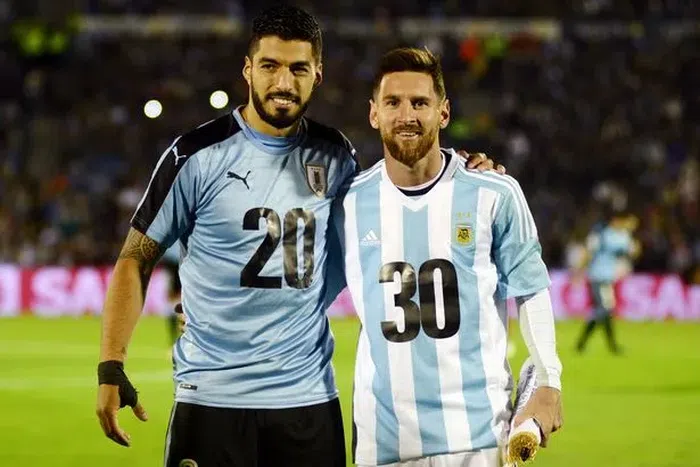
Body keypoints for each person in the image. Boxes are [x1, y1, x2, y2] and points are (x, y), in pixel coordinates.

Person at [94, 6, 500, 467]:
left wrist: (465, 171)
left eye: (298, 69)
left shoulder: (336, 156)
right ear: (248, 70)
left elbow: (387, 217)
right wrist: (111, 364)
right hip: (211, 400)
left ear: (317, 75)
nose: (283, 82)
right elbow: (136, 257)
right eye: (270, 66)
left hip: (307, 404)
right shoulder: (195, 155)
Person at [327, 47, 563, 467]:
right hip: (384, 444)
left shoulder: (494, 193)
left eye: (420, 103)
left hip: (480, 439)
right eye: (393, 102)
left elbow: (530, 288)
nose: (407, 115)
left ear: (444, 112)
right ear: (374, 113)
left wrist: (548, 378)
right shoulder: (346, 203)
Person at [576, 210, 639, 355]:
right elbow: (588, 252)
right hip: (597, 277)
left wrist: (632, 234)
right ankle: (604, 345)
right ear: (615, 220)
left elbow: (634, 253)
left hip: (608, 279)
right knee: (604, 309)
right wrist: (579, 270)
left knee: (604, 311)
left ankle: (587, 344)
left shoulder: (624, 236)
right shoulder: (602, 234)